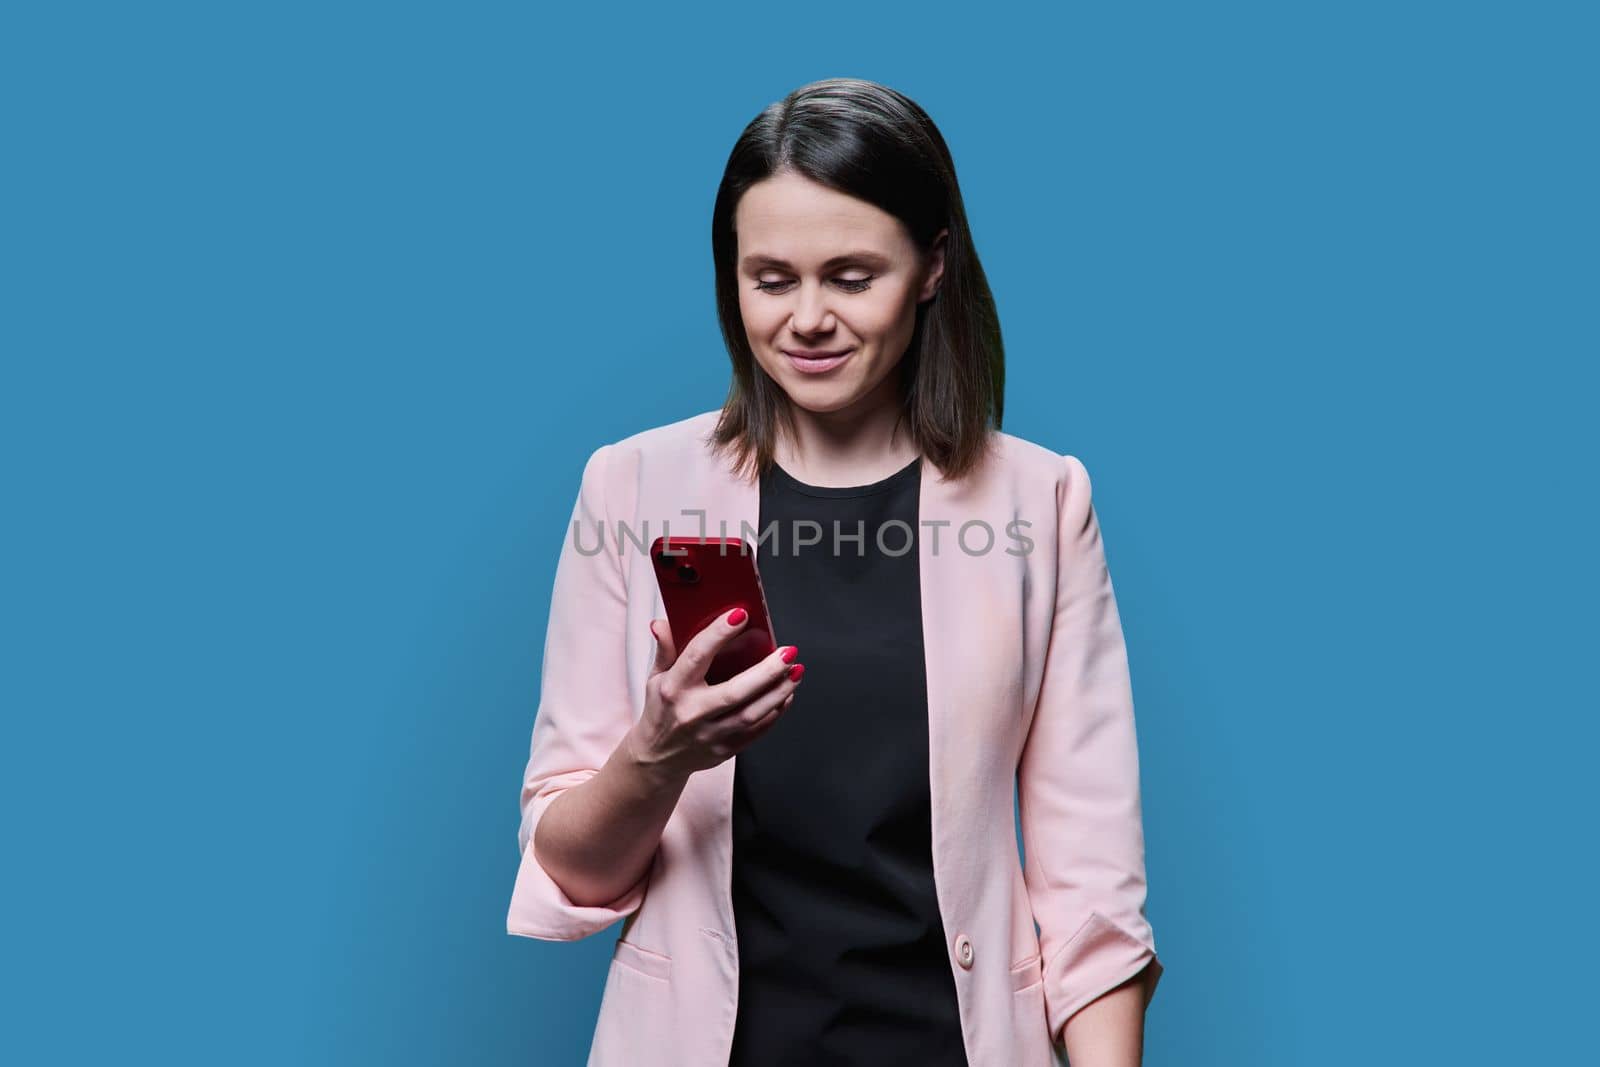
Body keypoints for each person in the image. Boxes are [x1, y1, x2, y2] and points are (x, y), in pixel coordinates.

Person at [507, 77, 1163, 1067]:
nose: (806, 318)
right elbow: (570, 871)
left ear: (931, 266)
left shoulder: (1042, 500)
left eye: (851, 276)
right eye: (770, 277)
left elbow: (1092, 888)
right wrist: (660, 749)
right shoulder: (632, 486)